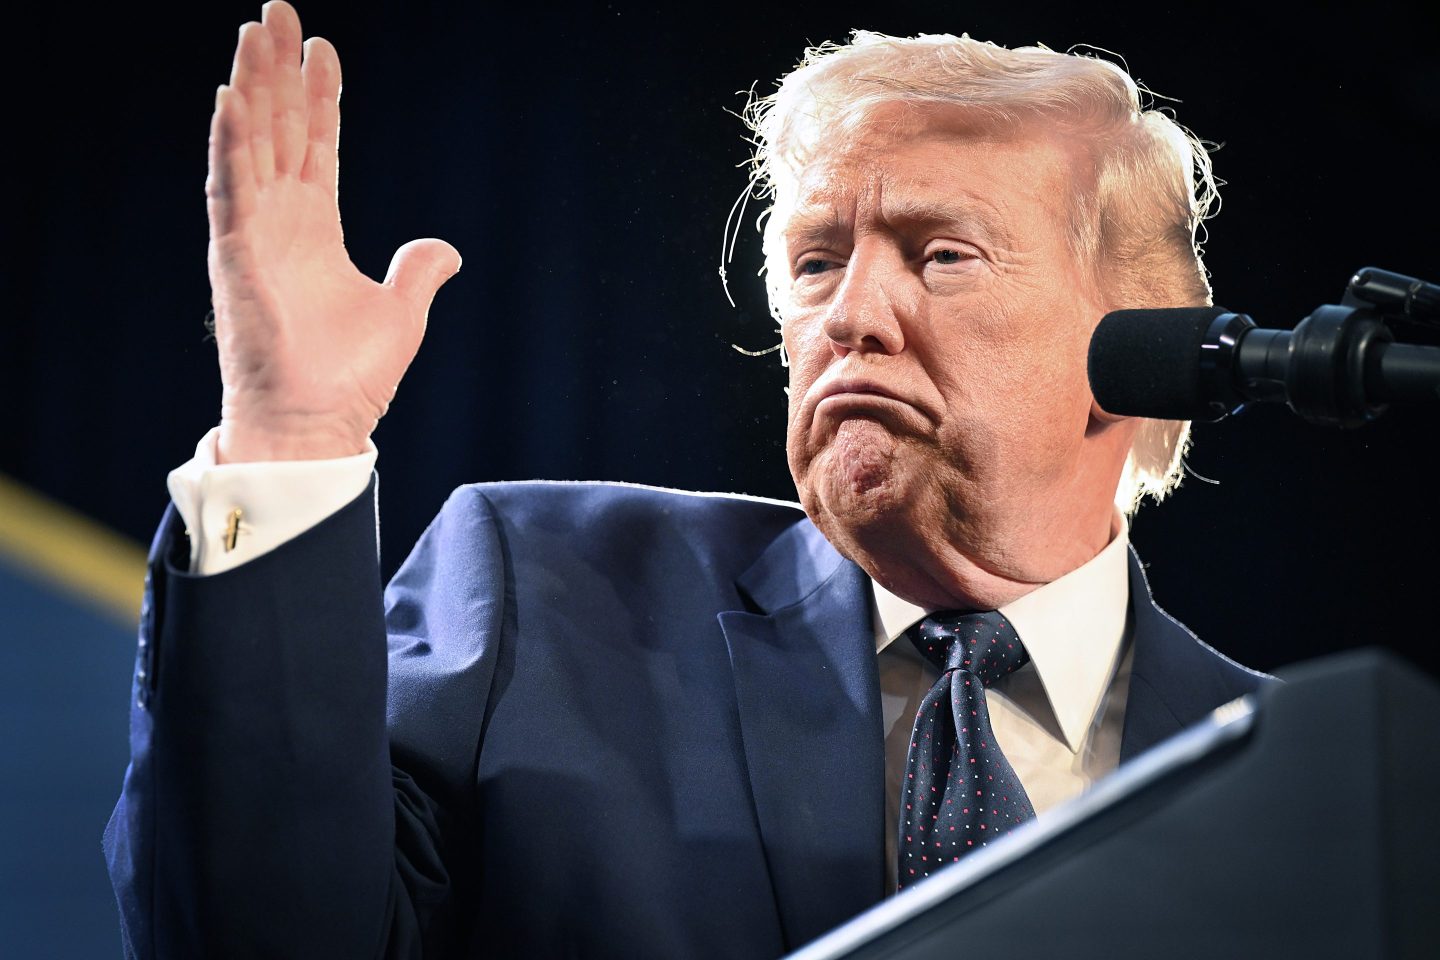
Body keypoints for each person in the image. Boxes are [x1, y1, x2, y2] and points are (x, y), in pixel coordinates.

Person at [104, 3, 1270, 957]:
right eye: (815, 262)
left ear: (1141, 350)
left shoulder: (1292, 776)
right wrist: (291, 431)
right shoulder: (542, 596)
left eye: (942, 256)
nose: (848, 316)